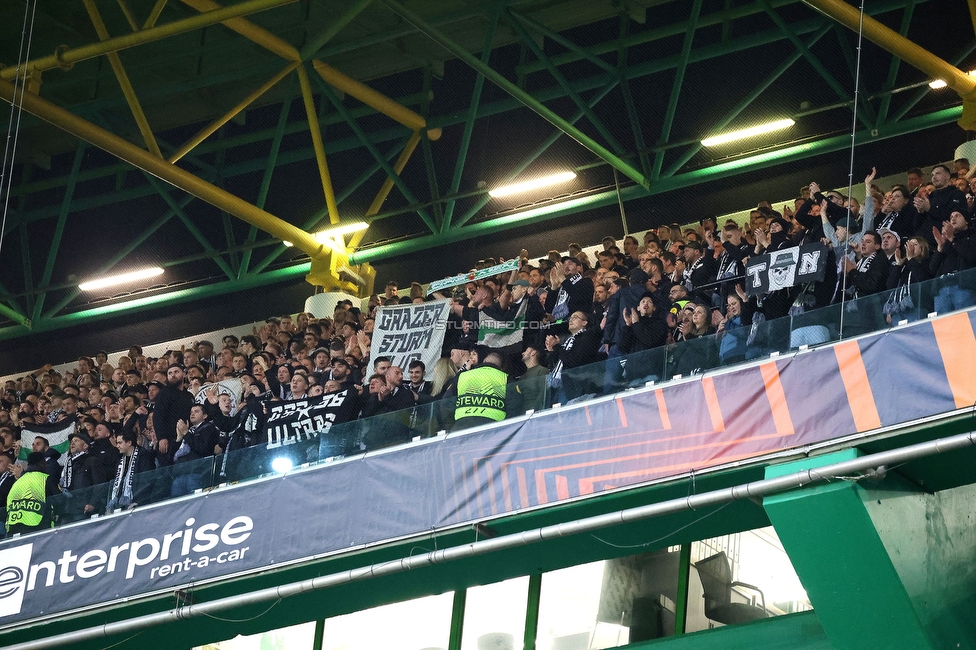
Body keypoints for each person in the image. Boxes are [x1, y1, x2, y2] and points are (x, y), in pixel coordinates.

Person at [452, 351, 521, 430]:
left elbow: (447, 402)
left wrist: (450, 426)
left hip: (461, 427)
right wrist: (506, 428)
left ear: (484, 361)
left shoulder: (462, 376)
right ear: (500, 367)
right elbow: (516, 404)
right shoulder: (506, 378)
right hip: (493, 430)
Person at [170, 404, 219, 497]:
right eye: (191, 412)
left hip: (196, 474)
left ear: (205, 416)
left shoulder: (209, 428)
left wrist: (186, 433)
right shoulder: (188, 431)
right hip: (179, 476)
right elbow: (172, 457)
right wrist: (179, 438)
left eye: (196, 411)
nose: (192, 414)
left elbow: (203, 448)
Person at [6, 452, 56, 537]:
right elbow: (58, 500)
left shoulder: (17, 482)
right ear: (42, 463)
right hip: (38, 528)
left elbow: (8, 506)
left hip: (14, 530)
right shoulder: (45, 478)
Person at [106, 429, 157, 511]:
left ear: (129, 443)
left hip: (139, 504)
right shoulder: (120, 460)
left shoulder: (144, 455)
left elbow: (147, 481)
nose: (117, 446)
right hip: (121, 506)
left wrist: (138, 502)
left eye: (120, 443)